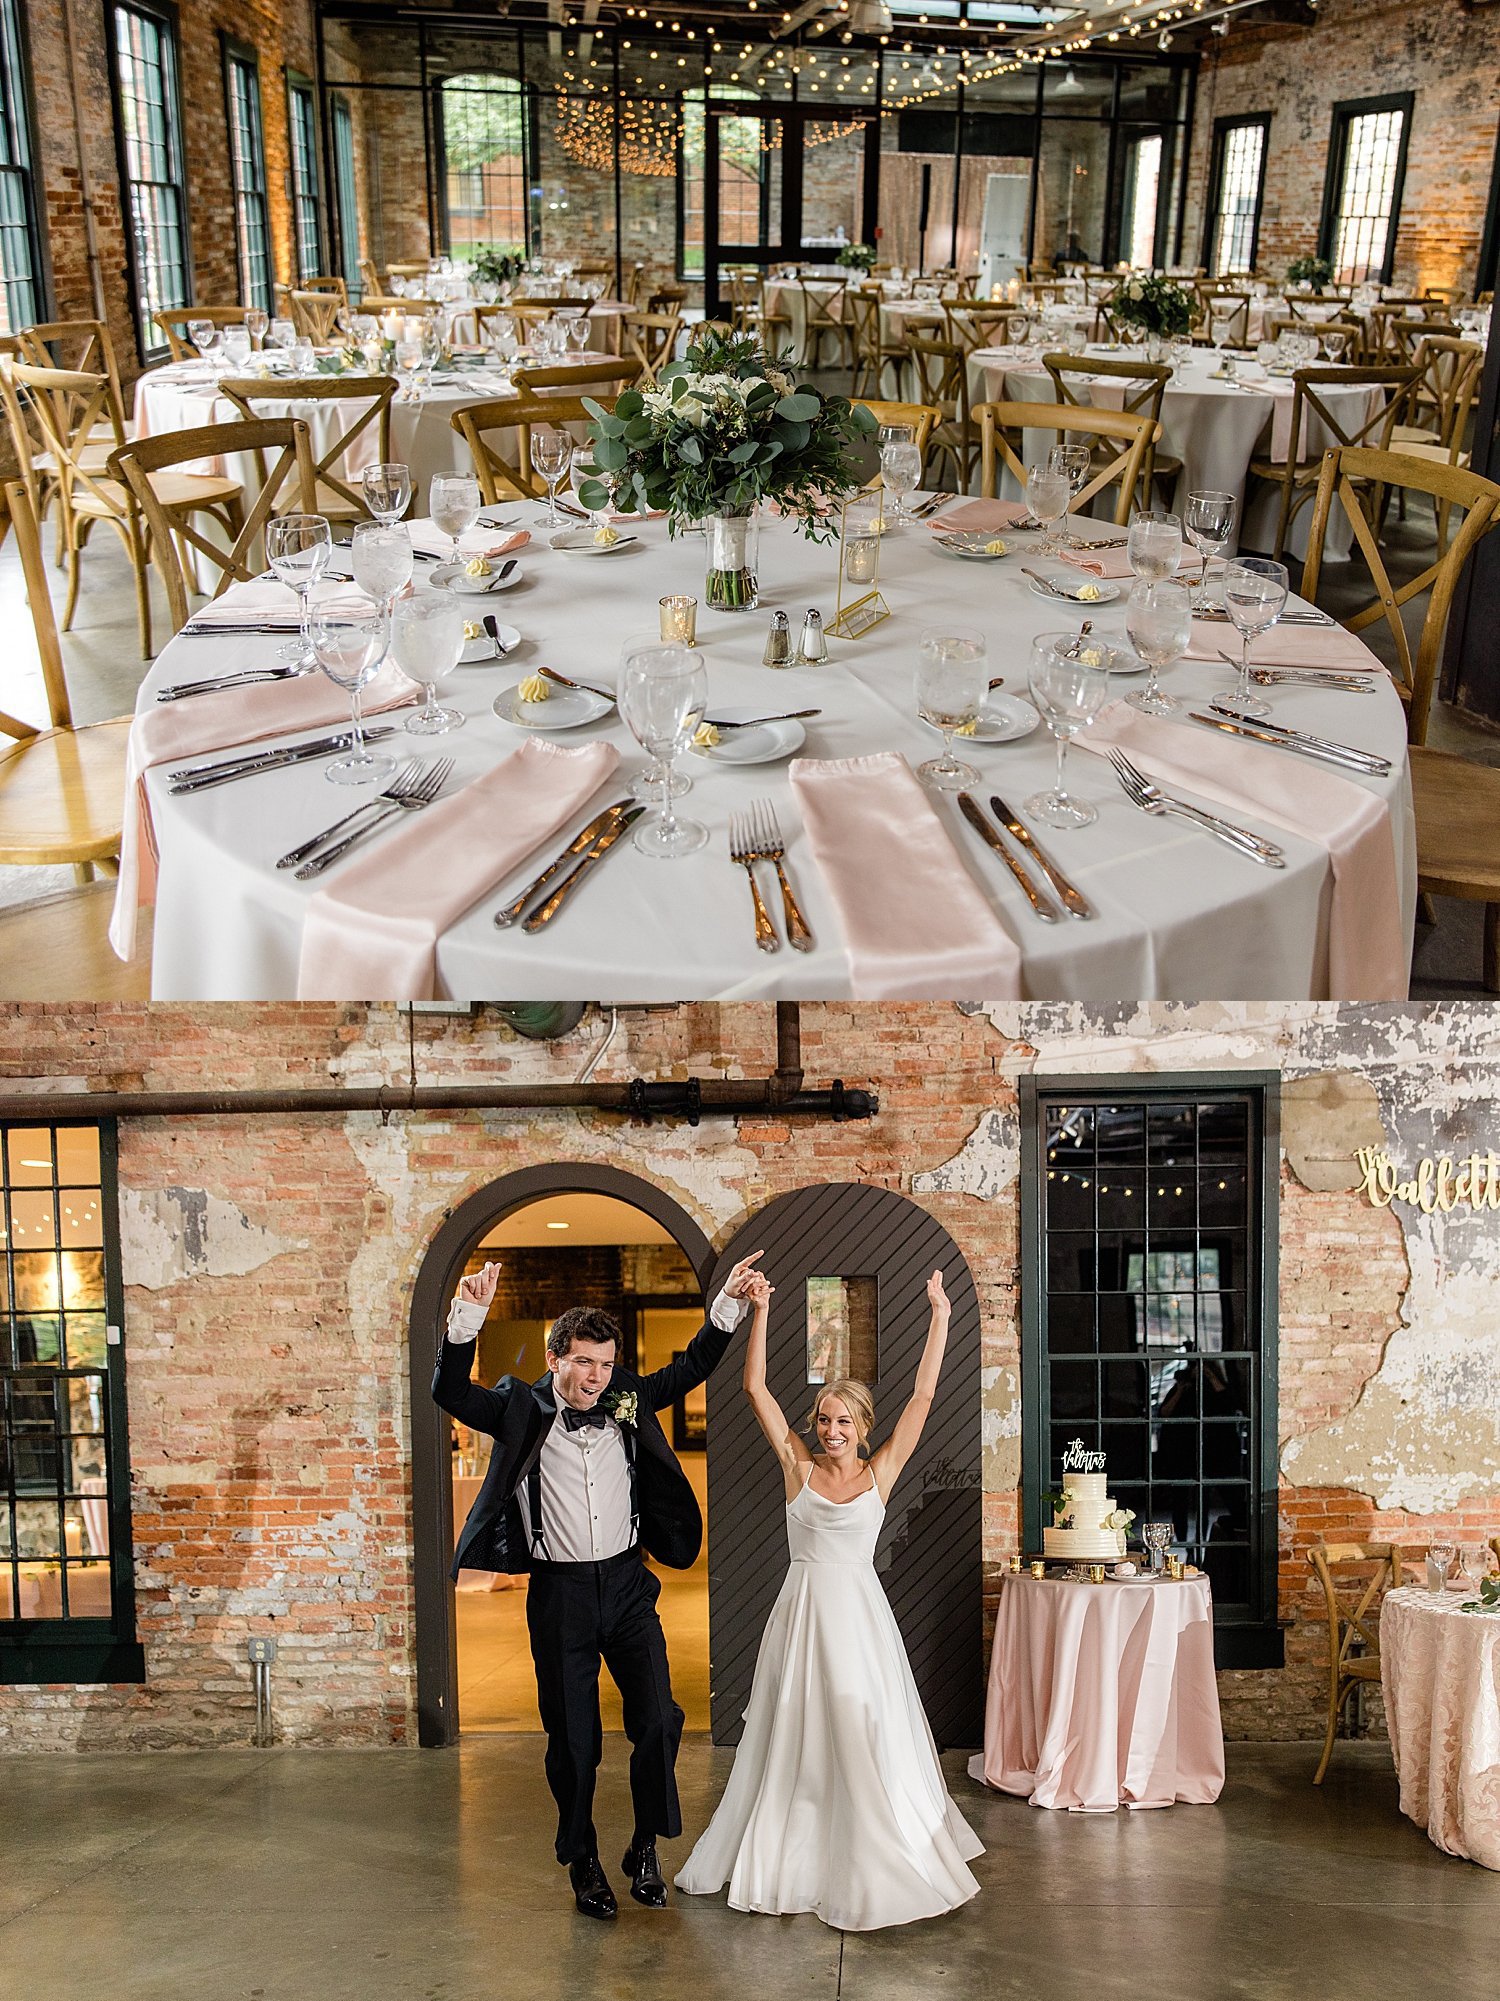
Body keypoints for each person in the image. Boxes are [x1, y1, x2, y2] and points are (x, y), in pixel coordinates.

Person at [433, 1248, 764, 1920]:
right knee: (575, 1742)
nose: (595, 1375)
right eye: (583, 1360)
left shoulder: (623, 1399)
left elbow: (691, 1366)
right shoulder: (520, 1406)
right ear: (557, 1357)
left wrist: (728, 1304)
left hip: (626, 1585)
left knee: (660, 1720)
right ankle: (582, 1857)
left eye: (605, 1363)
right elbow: (450, 1392)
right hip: (560, 1595)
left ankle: (643, 1846)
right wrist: (465, 1318)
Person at [675, 1266, 983, 1930]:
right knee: (800, 1732)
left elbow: (925, 1394)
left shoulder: (881, 1470)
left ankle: (877, 1842)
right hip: (803, 1610)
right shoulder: (798, 1467)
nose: (831, 1427)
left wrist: (941, 1316)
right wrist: (760, 1308)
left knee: (862, 1729)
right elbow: (754, 1386)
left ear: (863, 1425)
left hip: (860, 1616)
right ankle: (798, 1848)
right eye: (823, 1417)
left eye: (843, 1419)